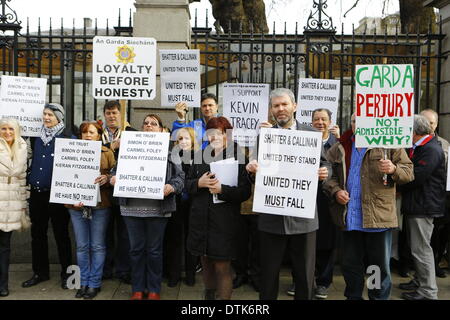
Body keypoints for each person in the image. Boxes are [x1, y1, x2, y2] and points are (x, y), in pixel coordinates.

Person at [246, 88, 330, 300]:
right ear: (271, 110)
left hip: (303, 219)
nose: (281, 109)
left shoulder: (311, 135)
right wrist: (251, 170)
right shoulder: (263, 136)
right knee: (268, 276)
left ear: (295, 106)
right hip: (271, 218)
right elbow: (253, 174)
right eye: (276, 105)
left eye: (284, 104)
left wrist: (324, 173)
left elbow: (325, 164)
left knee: (304, 276)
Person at [323, 113, 414, 300]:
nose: (358, 125)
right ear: (351, 124)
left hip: (377, 219)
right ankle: (353, 296)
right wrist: (336, 191)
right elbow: (328, 175)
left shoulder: (389, 143)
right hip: (350, 218)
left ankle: (377, 297)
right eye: (355, 121)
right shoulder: (341, 145)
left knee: (376, 267)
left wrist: (394, 169)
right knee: (351, 265)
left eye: (363, 120)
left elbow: (408, 172)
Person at [111, 114, 184, 300]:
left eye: (154, 124)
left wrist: (172, 187)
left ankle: (153, 289)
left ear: (161, 129)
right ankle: (137, 288)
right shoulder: (130, 147)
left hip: (158, 209)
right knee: (135, 250)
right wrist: (114, 178)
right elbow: (115, 170)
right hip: (131, 208)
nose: (149, 126)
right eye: (146, 123)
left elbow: (180, 178)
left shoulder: (171, 151)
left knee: (154, 251)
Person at [186, 116, 252, 300]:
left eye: (218, 133)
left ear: (227, 135)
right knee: (205, 264)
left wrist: (222, 190)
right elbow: (186, 184)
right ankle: (208, 297)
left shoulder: (238, 157)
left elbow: (245, 192)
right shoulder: (200, 154)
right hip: (200, 221)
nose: (213, 136)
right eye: (210, 132)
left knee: (222, 267)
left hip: (224, 222)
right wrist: (198, 183)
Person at [23, 103, 73, 289]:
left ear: (59, 117)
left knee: (62, 236)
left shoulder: (68, 137)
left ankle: (67, 274)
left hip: (57, 196)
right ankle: (40, 272)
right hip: (37, 195)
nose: (46, 118)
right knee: (37, 235)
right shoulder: (35, 138)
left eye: (50, 115)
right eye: (44, 114)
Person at [66, 121, 116, 299]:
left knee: (97, 245)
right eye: (85, 132)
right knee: (81, 246)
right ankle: (83, 282)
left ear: (99, 135)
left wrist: (108, 178)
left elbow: (116, 174)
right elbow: (64, 175)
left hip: (100, 205)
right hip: (76, 206)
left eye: (92, 132)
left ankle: (94, 283)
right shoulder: (70, 151)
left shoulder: (107, 152)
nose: (88, 135)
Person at [399, 115, 446, 300]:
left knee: (421, 249)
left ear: (415, 131)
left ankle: (428, 292)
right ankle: (420, 281)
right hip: (418, 204)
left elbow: (416, 176)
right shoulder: (423, 146)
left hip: (423, 206)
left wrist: (396, 180)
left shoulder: (431, 149)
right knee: (417, 247)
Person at [101, 100, 133, 283]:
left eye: (115, 113)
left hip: (125, 193)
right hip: (104, 193)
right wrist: (110, 147)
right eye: (108, 113)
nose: (112, 116)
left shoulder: (132, 134)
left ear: (121, 115)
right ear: (104, 115)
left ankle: (123, 271)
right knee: (104, 234)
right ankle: (106, 269)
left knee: (124, 234)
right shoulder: (98, 135)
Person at [163, 127, 200, 287]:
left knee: (192, 239)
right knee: (174, 239)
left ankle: (191, 274)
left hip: (194, 204)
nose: (183, 142)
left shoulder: (200, 158)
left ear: (192, 140)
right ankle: (174, 274)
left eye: (186, 138)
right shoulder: (172, 158)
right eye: (179, 139)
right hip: (175, 203)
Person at [0, 118, 31, 297]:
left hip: (11, 206)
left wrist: (23, 206)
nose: (7, 132)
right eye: (4, 129)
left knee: (4, 247)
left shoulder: (22, 148)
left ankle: (3, 285)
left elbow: (22, 180)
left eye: (11, 129)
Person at [420, 109, 449, 278]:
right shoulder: (413, 142)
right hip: (421, 198)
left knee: (435, 235)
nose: (427, 126)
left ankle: (433, 269)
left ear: (436, 124)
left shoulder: (444, 145)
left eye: (430, 123)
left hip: (439, 197)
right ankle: (414, 271)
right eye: (424, 122)